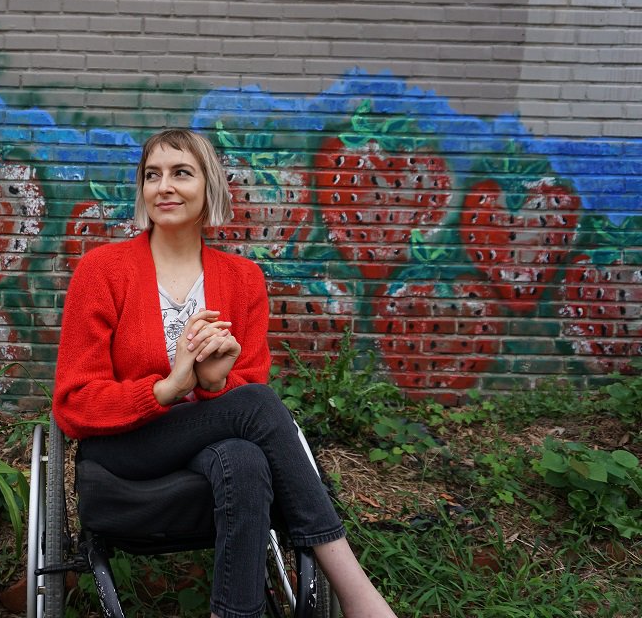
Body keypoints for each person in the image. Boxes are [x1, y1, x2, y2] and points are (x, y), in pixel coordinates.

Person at [54, 129, 398, 618]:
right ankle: (353, 586)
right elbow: (73, 403)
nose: (164, 187)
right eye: (152, 175)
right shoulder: (102, 271)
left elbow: (245, 385)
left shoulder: (242, 280)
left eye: (181, 173)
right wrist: (169, 388)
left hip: (210, 441)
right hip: (127, 447)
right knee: (258, 404)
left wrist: (215, 384)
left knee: (245, 459)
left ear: (209, 187)